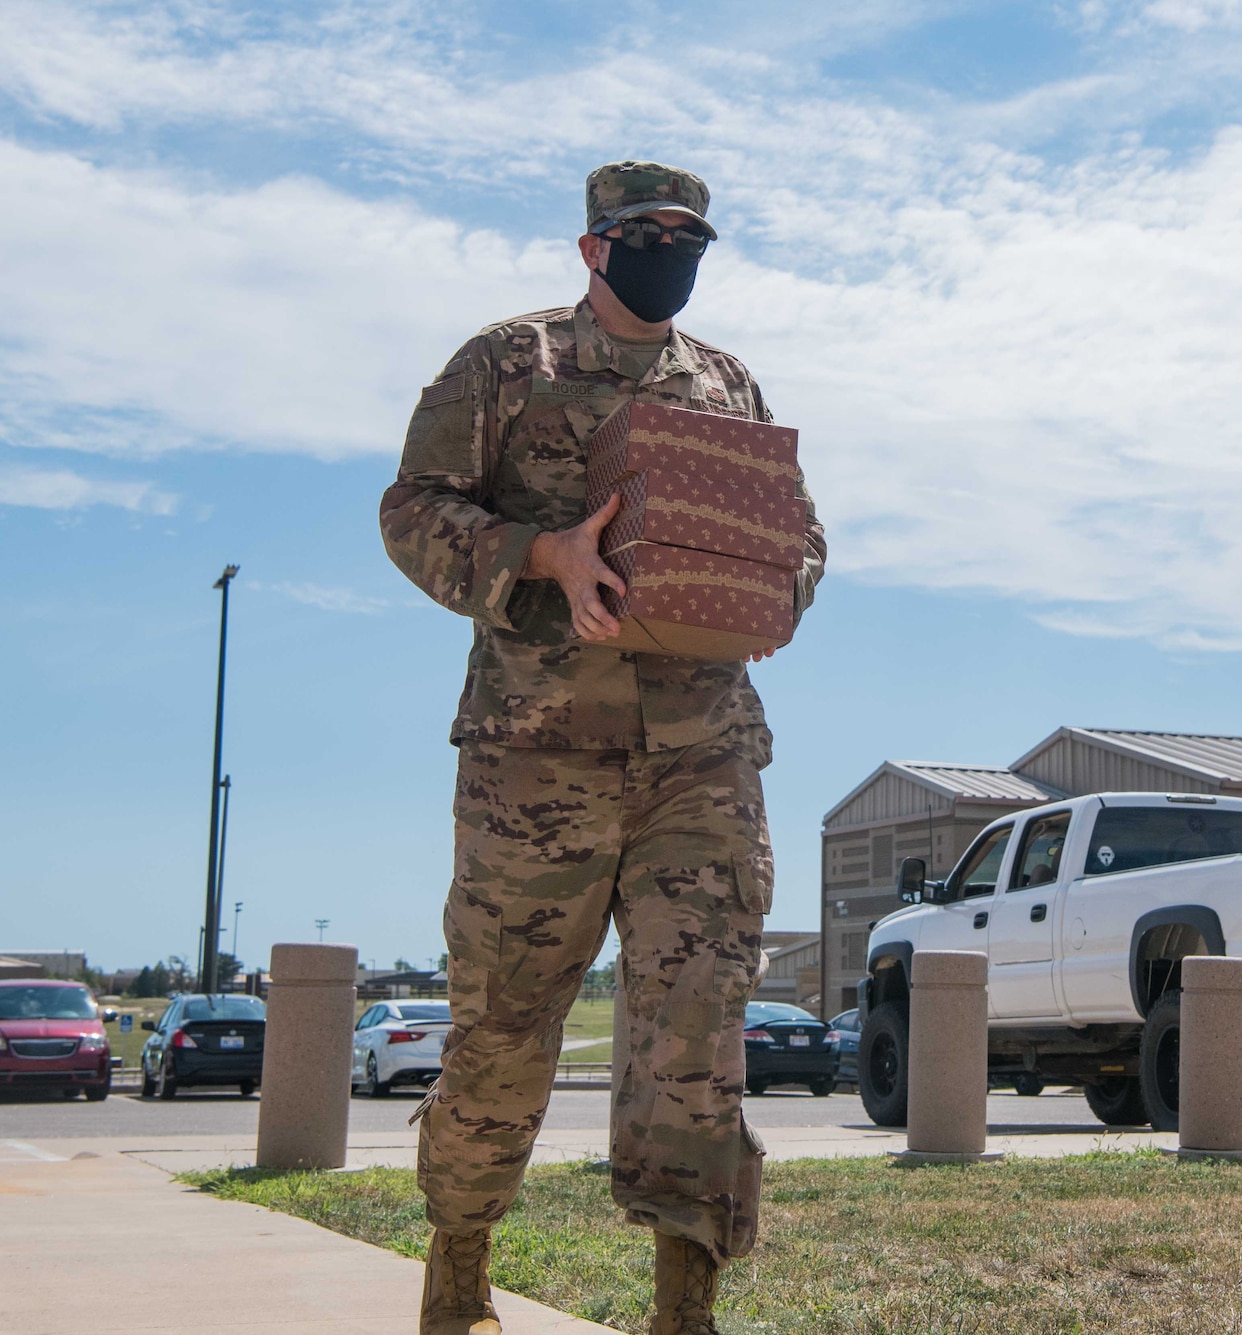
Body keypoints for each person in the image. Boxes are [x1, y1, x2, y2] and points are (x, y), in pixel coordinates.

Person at [380, 160, 826, 1335]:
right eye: (644, 232)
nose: (667, 249)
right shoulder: (503, 363)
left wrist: (769, 598)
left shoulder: (725, 384)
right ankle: (460, 1270)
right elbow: (414, 510)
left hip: (703, 757)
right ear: (594, 246)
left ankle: (685, 1301)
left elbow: (798, 534)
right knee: (504, 1019)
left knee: (697, 1022)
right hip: (539, 756)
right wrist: (545, 558)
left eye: (689, 235)